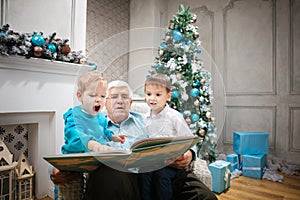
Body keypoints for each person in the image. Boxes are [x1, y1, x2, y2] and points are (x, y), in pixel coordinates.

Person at [51, 79, 217, 200]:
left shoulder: (148, 119)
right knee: (111, 173)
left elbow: (182, 137)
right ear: (105, 102)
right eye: (114, 97)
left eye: (124, 97)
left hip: (160, 177)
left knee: (205, 197)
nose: (120, 101)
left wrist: (189, 153)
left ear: (130, 103)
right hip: (122, 181)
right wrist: (60, 170)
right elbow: (74, 147)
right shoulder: (94, 124)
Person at [57, 71, 125, 200]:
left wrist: (112, 137)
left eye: (103, 96)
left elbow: (103, 130)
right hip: (76, 158)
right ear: (80, 96)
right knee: (71, 188)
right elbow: (74, 135)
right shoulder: (74, 115)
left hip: (96, 158)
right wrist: (92, 144)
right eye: (93, 95)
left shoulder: (100, 116)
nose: (98, 99)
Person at [140, 73, 195, 200]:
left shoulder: (174, 117)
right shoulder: (144, 119)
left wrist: (186, 153)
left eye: (158, 95)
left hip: (170, 164)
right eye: (148, 94)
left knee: (161, 175)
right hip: (151, 161)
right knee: (144, 173)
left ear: (168, 96)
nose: (152, 99)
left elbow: (188, 139)